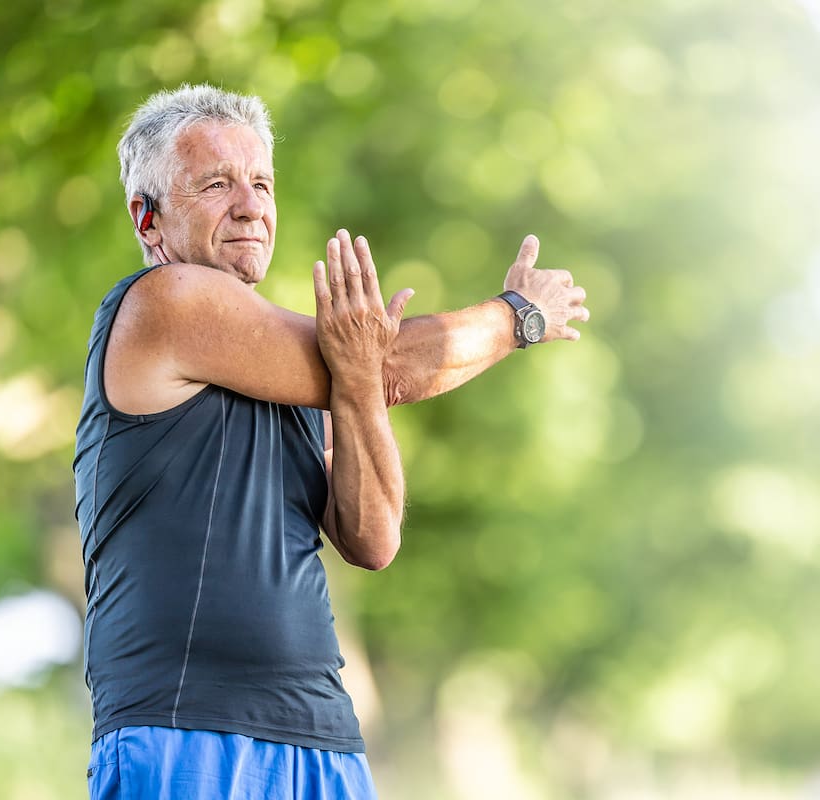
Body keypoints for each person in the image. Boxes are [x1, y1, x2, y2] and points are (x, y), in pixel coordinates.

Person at [73, 84, 588, 799]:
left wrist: (359, 385)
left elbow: (373, 540)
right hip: (185, 732)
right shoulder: (165, 302)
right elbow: (396, 366)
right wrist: (517, 316)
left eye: (261, 183)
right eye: (217, 184)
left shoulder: (310, 372)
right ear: (149, 218)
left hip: (321, 737)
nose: (251, 204)